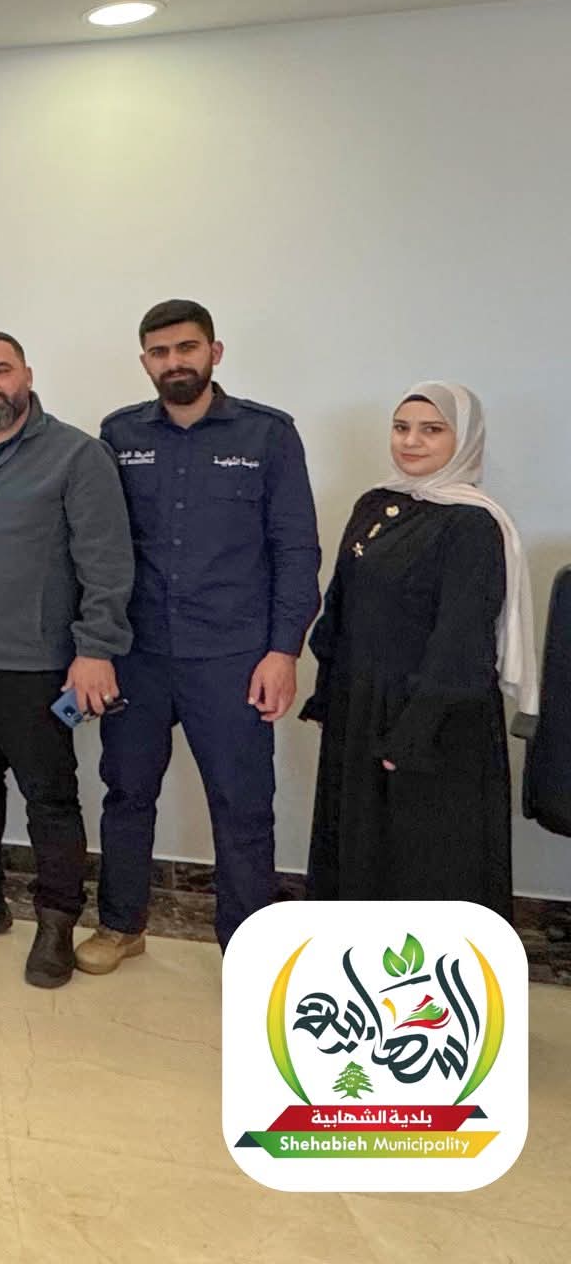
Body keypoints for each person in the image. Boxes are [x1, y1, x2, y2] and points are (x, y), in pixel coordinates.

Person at [85, 301, 321, 968]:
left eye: (186, 348)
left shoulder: (268, 434)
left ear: (214, 352)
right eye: (160, 353)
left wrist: (283, 651)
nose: (174, 362)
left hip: (232, 656)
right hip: (138, 655)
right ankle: (121, 926)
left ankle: (247, 950)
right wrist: (94, 646)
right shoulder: (118, 434)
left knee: (242, 806)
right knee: (127, 794)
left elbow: (296, 550)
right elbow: (99, 546)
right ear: (145, 362)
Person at [0, 331, 133, 988]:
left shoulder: (77, 455)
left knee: (49, 797)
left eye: (0, 370)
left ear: (27, 375)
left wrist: (95, 649)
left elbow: (106, 561)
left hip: (37, 664)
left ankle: (56, 921)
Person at [302, 383, 531, 919]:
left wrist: (412, 735)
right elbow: (341, 604)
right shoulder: (375, 504)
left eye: (432, 430)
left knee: (422, 864)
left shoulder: (472, 523)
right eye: (401, 428)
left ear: (464, 438)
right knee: (358, 853)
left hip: (432, 722)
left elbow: (461, 641)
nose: (411, 441)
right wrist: (329, 694)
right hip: (363, 708)